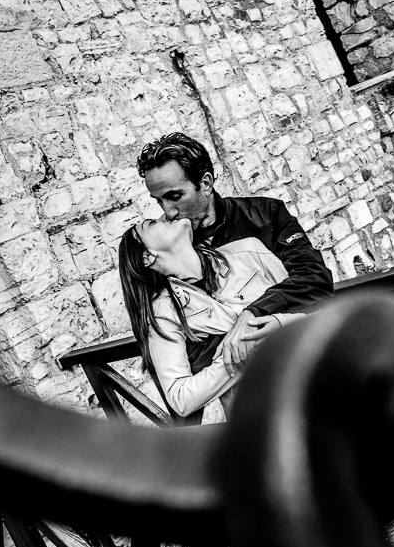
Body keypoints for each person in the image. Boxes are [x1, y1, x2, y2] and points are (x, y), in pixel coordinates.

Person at [136, 133, 334, 377]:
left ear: (206, 183)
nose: (168, 211)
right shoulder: (166, 250)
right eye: (159, 201)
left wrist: (254, 312)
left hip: (306, 361)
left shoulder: (266, 213)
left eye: (174, 196)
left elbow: (315, 277)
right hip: (240, 384)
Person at [118, 215, 307, 418]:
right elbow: (181, 398)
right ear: (147, 257)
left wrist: (280, 324)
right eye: (152, 223)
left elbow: (315, 309)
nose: (165, 215)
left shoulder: (248, 250)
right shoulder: (163, 312)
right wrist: (238, 351)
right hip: (263, 415)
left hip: (316, 377)